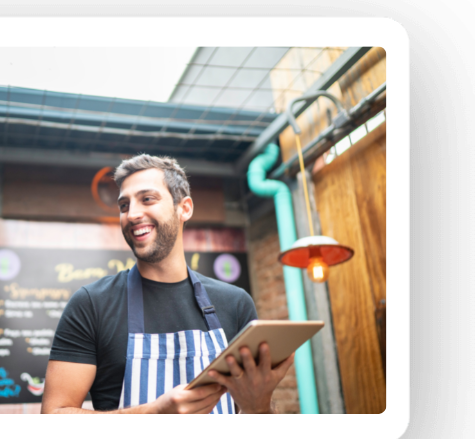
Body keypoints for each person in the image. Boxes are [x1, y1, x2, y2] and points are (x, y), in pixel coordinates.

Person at [41, 154, 294, 414]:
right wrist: (155, 414)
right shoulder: (91, 304)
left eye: (147, 199)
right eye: (124, 205)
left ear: (184, 208)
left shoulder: (235, 303)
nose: (132, 214)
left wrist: (258, 407)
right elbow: (53, 417)